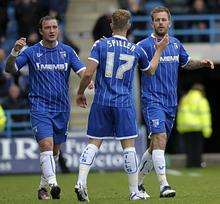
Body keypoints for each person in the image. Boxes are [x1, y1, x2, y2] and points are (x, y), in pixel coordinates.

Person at [74, 9, 168, 201]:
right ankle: (134, 191)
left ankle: (81, 182)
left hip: (101, 101)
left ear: (111, 26)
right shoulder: (135, 49)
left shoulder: (100, 44)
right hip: (124, 103)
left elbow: (88, 73)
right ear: (129, 26)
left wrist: (80, 92)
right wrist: (158, 50)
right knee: (129, 147)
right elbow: (150, 71)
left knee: (93, 143)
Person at [5, 16, 91, 200]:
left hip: (61, 109)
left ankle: (43, 187)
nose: (52, 30)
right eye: (47, 27)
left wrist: (88, 82)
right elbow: (9, 69)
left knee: (54, 151)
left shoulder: (67, 51)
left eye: (54, 27)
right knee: (46, 144)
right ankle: (54, 184)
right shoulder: (31, 52)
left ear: (58, 29)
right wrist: (14, 52)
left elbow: (82, 71)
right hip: (39, 106)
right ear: (41, 31)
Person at [137, 6, 214, 198]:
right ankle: (164, 185)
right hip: (152, 100)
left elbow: (186, 63)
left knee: (154, 146)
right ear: (152, 23)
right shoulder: (143, 45)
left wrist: (201, 63)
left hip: (170, 103)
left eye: (164, 20)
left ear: (169, 23)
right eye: (157, 20)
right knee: (160, 139)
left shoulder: (176, 44)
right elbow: (131, 66)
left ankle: (137, 183)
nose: (161, 23)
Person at [177, 83, 212, 167]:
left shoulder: (185, 98)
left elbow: (180, 113)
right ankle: (197, 164)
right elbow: (205, 115)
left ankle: (189, 164)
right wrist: (207, 130)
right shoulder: (201, 100)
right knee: (197, 147)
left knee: (189, 148)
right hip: (197, 127)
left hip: (185, 127)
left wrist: (180, 127)